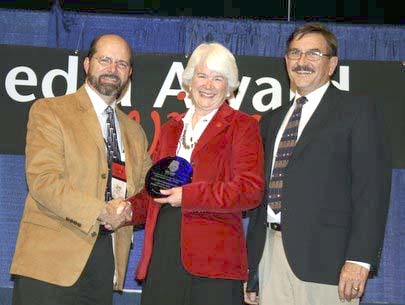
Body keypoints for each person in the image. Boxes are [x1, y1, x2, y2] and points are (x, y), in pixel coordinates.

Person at [244, 23, 391, 305]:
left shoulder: (357, 111)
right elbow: (263, 198)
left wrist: (359, 259)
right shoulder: (273, 119)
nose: (302, 62)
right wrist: (253, 267)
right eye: (295, 53)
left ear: (332, 64)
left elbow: (371, 192)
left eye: (313, 54)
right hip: (271, 257)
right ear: (286, 61)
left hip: (329, 264)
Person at [10, 34, 152, 305]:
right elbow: (43, 181)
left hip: (104, 263)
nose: (112, 69)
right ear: (87, 64)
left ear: (129, 74)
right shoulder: (50, 111)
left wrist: (129, 212)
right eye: (105, 60)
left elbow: (146, 192)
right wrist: (101, 210)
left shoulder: (135, 132)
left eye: (121, 64)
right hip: (50, 261)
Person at [131, 42, 264, 305]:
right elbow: (156, 192)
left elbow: (250, 190)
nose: (208, 85)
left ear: (230, 86)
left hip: (214, 264)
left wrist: (189, 195)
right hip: (163, 254)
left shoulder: (242, 126)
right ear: (190, 81)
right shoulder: (171, 128)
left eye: (218, 78)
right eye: (202, 76)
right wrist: (125, 210)